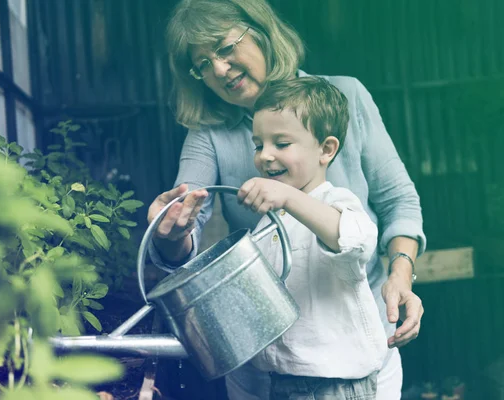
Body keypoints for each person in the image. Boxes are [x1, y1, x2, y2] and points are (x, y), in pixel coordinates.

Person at [147, 0, 426, 398]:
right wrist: (171, 231)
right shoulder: (208, 133)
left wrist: (402, 275)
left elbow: (397, 202)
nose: (220, 70)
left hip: (359, 356)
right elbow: (186, 235)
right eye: (203, 63)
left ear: (260, 30)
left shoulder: (344, 96)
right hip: (263, 362)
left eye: (225, 48)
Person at [237, 75, 385, 400]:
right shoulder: (269, 223)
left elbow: (354, 239)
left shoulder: (335, 202)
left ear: (326, 149)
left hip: (333, 385)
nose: (265, 155)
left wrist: (286, 197)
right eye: (258, 145)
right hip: (284, 381)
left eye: (282, 143)